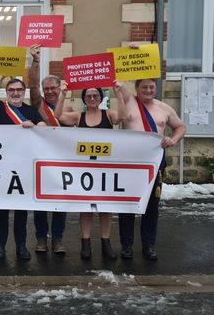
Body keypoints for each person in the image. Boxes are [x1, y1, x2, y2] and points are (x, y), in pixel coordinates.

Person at [0, 60, 46, 261]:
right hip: (2, 166)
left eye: (19, 90)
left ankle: (21, 246)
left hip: (23, 167)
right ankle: (0, 246)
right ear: (7, 92)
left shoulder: (31, 110)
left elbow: (45, 129)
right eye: (11, 90)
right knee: (2, 210)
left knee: (21, 211)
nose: (15, 93)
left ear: (24, 92)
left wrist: (35, 126)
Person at [55, 82, 127, 259]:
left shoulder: (108, 114)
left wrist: (119, 94)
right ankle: (85, 243)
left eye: (96, 96)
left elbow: (122, 117)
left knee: (106, 207)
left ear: (101, 98)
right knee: (86, 207)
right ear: (84, 99)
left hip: (105, 168)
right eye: (89, 96)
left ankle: (105, 242)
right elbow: (58, 116)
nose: (92, 99)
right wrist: (63, 94)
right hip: (84, 169)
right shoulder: (79, 116)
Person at [118, 78, 186, 260]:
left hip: (154, 165)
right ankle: (126, 246)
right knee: (127, 205)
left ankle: (148, 245)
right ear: (136, 88)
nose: (148, 90)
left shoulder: (164, 108)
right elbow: (117, 80)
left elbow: (180, 126)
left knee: (152, 207)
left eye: (151, 87)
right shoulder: (128, 100)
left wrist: (173, 140)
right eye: (144, 87)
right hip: (130, 164)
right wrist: (134, 51)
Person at [29, 46, 70, 254]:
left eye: (53, 88)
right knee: (41, 202)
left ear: (59, 88)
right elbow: (33, 85)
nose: (50, 91)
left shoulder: (69, 108)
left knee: (60, 202)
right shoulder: (38, 104)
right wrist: (35, 62)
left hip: (62, 160)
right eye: (47, 89)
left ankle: (57, 239)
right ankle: (41, 239)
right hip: (42, 160)